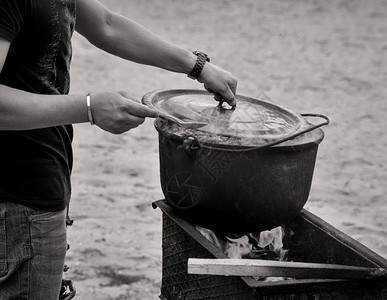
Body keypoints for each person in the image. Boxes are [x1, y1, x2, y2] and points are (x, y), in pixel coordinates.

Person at [0, 0, 237, 299]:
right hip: (17, 199)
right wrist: (89, 108)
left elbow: (106, 25)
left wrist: (197, 66)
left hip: (41, 183)